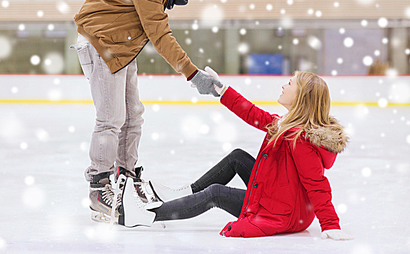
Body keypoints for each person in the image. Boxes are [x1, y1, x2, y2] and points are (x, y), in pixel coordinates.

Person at [70, 0, 222, 222]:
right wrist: (193, 75)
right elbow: (160, 34)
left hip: (121, 44)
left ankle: (125, 178)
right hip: (101, 42)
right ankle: (100, 189)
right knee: (111, 117)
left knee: (133, 115)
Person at [116, 69, 353, 240]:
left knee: (216, 194)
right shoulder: (286, 126)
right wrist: (222, 90)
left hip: (282, 212)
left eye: (290, 83)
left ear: (301, 97)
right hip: (283, 199)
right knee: (238, 157)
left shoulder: (300, 140)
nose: (284, 85)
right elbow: (253, 114)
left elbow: (316, 184)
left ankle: (148, 215)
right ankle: (184, 193)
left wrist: (330, 225)